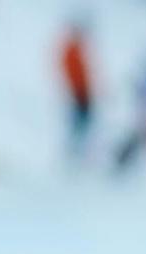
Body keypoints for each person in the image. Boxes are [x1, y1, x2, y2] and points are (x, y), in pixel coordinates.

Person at [57, 20, 95, 162]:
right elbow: (74, 74)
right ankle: (73, 153)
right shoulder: (71, 50)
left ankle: (78, 152)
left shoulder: (77, 51)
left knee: (83, 126)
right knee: (78, 125)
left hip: (83, 94)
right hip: (79, 94)